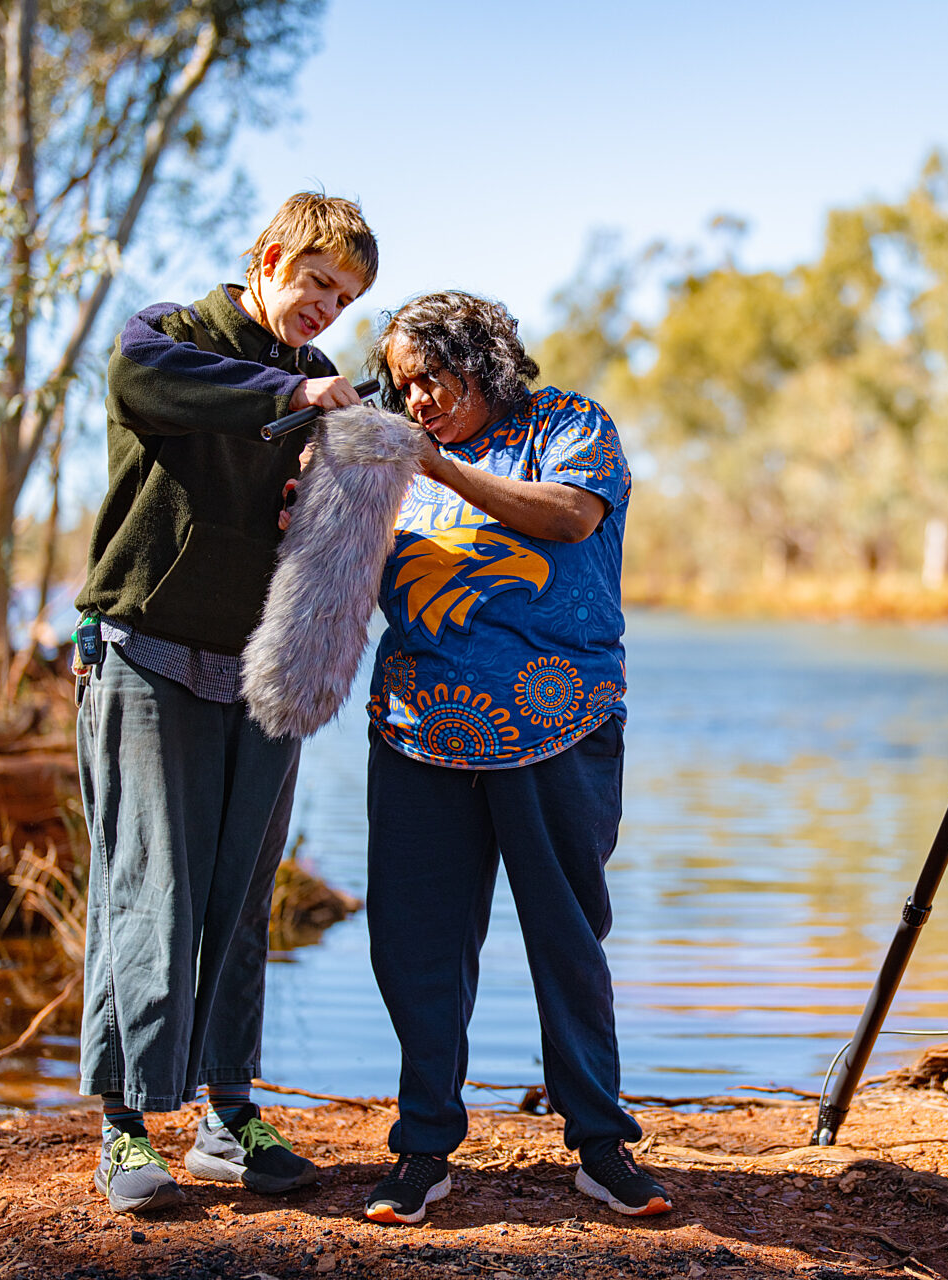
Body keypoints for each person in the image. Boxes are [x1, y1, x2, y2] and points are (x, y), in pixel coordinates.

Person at [72, 192, 377, 1213]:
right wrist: (295, 400)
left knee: (242, 895)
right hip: (146, 652)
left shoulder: (321, 386)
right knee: (148, 887)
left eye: (343, 298)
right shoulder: (174, 334)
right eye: (317, 283)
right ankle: (123, 1128)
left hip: (261, 668)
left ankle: (224, 1114)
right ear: (270, 257)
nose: (324, 308)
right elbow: (138, 379)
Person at [358, 290, 668, 1226]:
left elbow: (571, 519)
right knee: (416, 944)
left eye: (431, 380)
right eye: (401, 386)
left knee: (567, 936)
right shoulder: (392, 453)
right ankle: (422, 1150)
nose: (414, 401)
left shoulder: (571, 424)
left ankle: (600, 1145)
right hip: (418, 728)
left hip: (557, 726)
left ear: (481, 364)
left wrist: (440, 470)